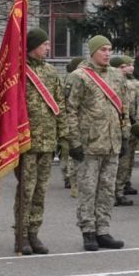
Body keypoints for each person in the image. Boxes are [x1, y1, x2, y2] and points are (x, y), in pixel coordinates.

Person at [65, 35, 128, 251]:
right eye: (103, 49)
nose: (108, 53)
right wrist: (74, 142)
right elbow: (70, 110)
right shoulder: (79, 77)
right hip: (89, 144)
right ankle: (88, 231)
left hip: (112, 143)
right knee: (88, 190)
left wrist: (124, 134)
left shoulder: (117, 76)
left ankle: (103, 230)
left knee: (107, 190)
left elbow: (123, 108)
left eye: (110, 49)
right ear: (92, 52)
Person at [15, 28, 68, 254]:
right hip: (26, 143)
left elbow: (59, 105)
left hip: (47, 142)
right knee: (26, 191)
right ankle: (21, 235)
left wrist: (63, 136)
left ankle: (34, 233)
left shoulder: (50, 71)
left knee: (40, 191)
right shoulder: (18, 72)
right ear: (32, 46)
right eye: (44, 44)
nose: (48, 48)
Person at [112, 55, 139, 204]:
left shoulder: (128, 84)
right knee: (118, 162)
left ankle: (121, 188)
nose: (126, 69)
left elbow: (132, 106)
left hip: (128, 126)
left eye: (128, 66)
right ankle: (116, 192)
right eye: (122, 67)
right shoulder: (112, 84)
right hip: (115, 128)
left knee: (126, 160)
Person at [60, 56, 85, 195]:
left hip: (84, 121)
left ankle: (76, 181)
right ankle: (71, 181)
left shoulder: (84, 78)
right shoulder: (71, 79)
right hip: (72, 121)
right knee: (71, 153)